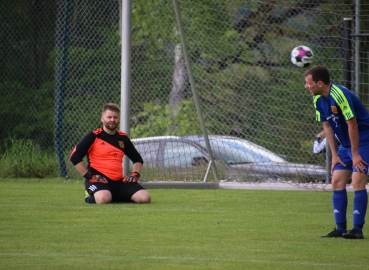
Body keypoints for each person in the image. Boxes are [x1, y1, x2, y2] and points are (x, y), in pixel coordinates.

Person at [304, 65, 369, 239]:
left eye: (308, 83)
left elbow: (353, 125)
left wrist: (355, 155)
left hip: (363, 141)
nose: (306, 86)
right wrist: (335, 155)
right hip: (345, 145)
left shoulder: (339, 95)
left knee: (357, 181)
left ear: (319, 83)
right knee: (337, 182)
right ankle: (340, 228)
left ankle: (357, 230)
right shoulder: (317, 99)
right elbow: (327, 127)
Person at [70, 103, 151, 204]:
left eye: (115, 117)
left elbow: (138, 159)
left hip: (119, 181)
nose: (112, 120)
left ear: (119, 119)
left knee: (145, 198)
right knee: (103, 199)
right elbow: (74, 156)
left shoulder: (123, 138)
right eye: (109, 117)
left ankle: (114, 195)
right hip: (99, 181)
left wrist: (135, 175)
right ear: (102, 118)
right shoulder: (94, 136)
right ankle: (89, 195)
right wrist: (89, 176)